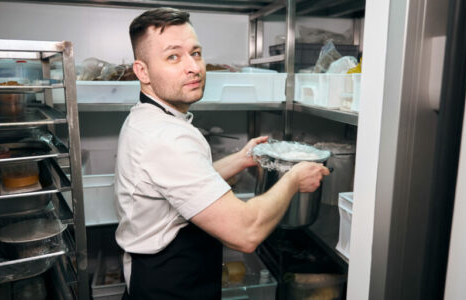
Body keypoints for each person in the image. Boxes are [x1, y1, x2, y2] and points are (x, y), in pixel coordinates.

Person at [115, 7, 330, 300]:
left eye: (196, 53)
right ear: (143, 71)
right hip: (169, 287)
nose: (193, 67)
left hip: (166, 277)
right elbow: (245, 233)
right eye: (173, 57)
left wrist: (241, 159)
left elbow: (183, 187)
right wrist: (292, 180)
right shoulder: (165, 136)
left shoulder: (149, 118)